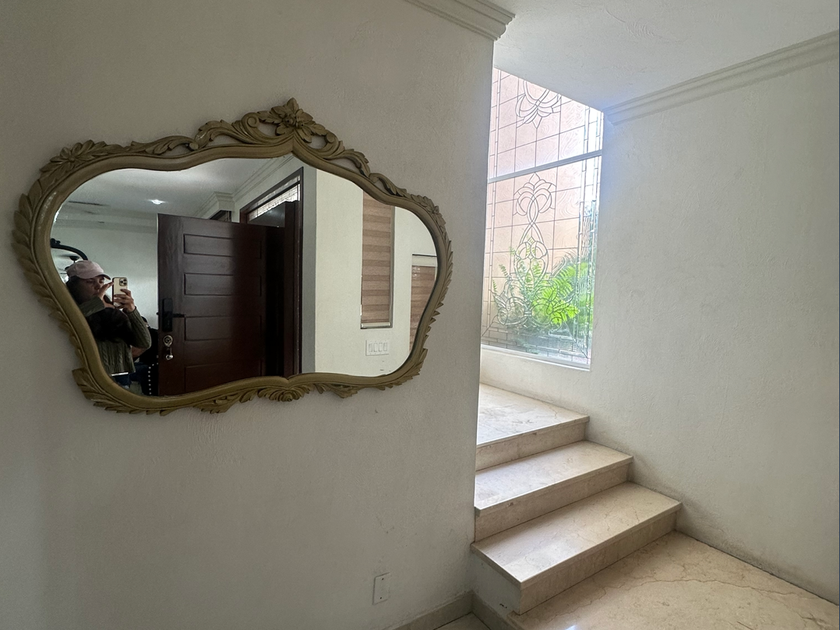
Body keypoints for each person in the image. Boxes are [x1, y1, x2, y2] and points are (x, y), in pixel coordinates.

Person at [65, 260, 152, 388]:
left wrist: (132, 311)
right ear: (74, 285)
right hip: (88, 377)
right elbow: (69, 322)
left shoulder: (111, 310)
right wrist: (96, 304)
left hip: (121, 377)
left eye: (101, 281)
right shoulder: (67, 308)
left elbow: (144, 343)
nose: (98, 286)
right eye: (90, 282)